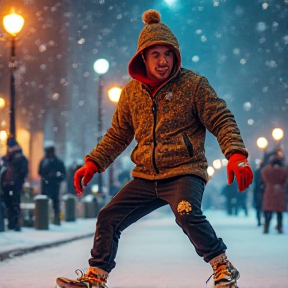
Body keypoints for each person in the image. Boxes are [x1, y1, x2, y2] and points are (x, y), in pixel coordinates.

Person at [56, 9, 253, 288]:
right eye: (155, 55)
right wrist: (93, 163)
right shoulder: (131, 93)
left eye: (168, 54)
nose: (163, 61)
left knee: (186, 211)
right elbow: (118, 134)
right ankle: (96, 278)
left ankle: (222, 266)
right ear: (143, 58)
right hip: (146, 176)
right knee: (108, 217)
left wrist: (235, 154)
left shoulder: (194, 85)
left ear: (175, 55)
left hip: (185, 170)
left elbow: (221, 118)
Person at [0, 136, 28, 231]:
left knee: (12, 204)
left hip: (12, 185)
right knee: (11, 204)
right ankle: (13, 223)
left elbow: (23, 172)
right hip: (10, 185)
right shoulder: (8, 158)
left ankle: (14, 224)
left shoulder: (14, 159)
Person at [38, 145, 66, 225]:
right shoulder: (44, 161)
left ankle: (56, 219)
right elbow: (40, 172)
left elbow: (63, 174)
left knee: (55, 202)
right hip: (47, 184)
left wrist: (57, 178)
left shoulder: (57, 162)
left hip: (54, 185)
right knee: (44, 202)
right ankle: (44, 219)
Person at [261, 155, 288, 234]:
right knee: (279, 212)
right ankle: (279, 227)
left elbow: (263, 176)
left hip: (269, 190)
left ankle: (266, 227)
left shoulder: (267, 170)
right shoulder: (283, 171)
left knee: (268, 211)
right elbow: (284, 179)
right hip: (279, 191)